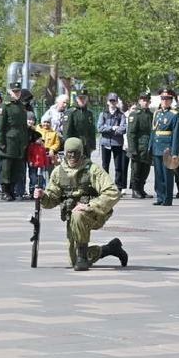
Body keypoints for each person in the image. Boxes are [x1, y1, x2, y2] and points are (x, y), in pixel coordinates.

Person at [35, 137, 129, 271]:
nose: (72, 156)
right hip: (72, 217)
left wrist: (89, 206)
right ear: (65, 153)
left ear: (81, 153)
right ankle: (110, 248)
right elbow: (52, 200)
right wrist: (43, 196)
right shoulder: (58, 172)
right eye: (69, 153)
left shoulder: (92, 170)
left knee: (78, 215)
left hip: (94, 213)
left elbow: (113, 192)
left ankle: (82, 259)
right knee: (73, 260)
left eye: (76, 153)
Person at [0, 83, 31, 200]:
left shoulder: (21, 106)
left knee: (16, 168)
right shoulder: (4, 106)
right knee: (6, 168)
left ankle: (12, 190)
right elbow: (0, 126)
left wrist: (25, 141)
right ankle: (5, 191)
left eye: (18, 91)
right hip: (8, 141)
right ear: (10, 92)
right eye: (14, 91)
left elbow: (23, 126)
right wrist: (1, 142)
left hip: (19, 142)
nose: (17, 94)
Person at [149, 89, 179, 206]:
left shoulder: (174, 115)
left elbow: (176, 135)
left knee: (167, 175)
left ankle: (167, 199)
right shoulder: (157, 113)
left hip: (167, 148)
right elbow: (153, 132)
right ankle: (160, 197)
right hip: (157, 147)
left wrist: (174, 152)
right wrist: (150, 146)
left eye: (167, 99)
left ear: (171, 101)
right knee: (158, 174)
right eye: (163, 98)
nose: (165, 101)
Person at [125, 92, 155, 199]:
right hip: (138, 147)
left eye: (147, 100)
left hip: (147, 147)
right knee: (136, 170)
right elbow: (131, 133)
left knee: (145, 169)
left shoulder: (151, 115)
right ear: (139, 101)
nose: (145, 102)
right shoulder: (135, 115)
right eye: (143, 100)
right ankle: (135, 190)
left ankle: (141, 189)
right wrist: (132, 149)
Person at [97, 93, 128, 189]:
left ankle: (118, 186)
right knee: (105, 166)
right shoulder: (103, 114)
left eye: (114, 101)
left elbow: (123, 129)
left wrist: (108, 128)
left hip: (117, 143)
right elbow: (99, 128)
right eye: (110, 101)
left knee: (118, 166)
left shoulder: (121, 115)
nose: (112, 102)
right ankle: (105, 186)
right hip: (105, 143)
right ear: (107, 102)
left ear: (117, 102)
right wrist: (112, 128)